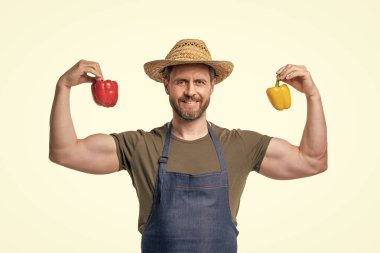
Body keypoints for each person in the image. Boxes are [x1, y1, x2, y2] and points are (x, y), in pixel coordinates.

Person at [49, 39, 328, 253]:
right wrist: (63, 86)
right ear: (166, 85)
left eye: (199, 82)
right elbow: (65, 152)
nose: (190, 91)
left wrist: (312, 95)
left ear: (212, 86)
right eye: (181, 81)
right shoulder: (139, 145)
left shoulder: (240, 145)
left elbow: (312, 161)